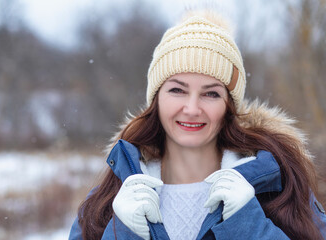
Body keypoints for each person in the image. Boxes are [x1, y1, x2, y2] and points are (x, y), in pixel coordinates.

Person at [69, 10, 326, 240]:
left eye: (211, 94)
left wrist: (248, 225)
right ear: (156, 99)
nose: (192, 109)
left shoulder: (279, 188)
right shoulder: (108, 200)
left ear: (229, 106)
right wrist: (122, 233)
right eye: (177, 90)